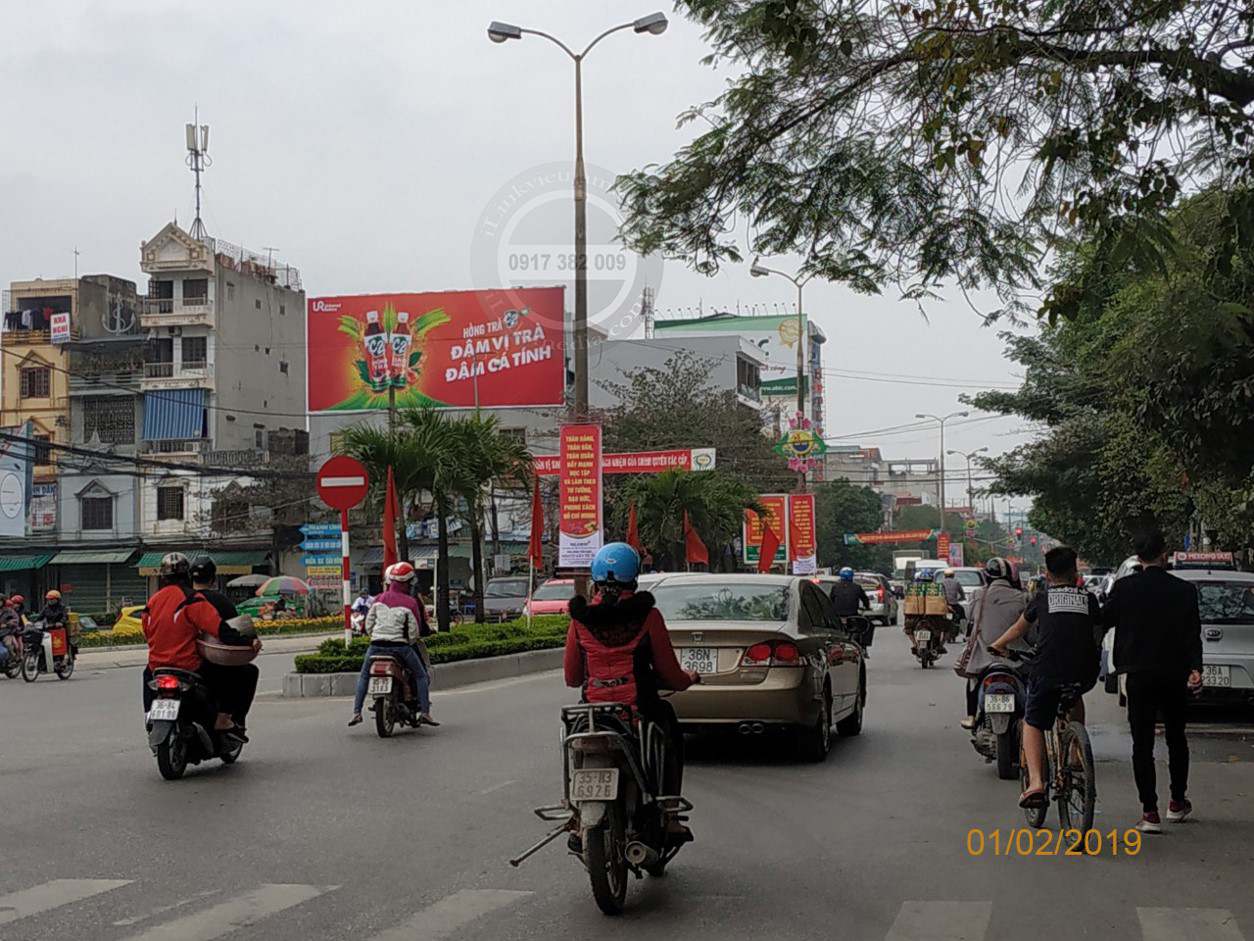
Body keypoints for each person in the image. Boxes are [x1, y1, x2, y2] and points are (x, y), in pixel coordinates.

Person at [565, 542, 699, 849]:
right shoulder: (649, 616)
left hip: (594, 716)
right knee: (669, 728)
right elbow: (669, 675)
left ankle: (576, 819)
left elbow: (573, 678)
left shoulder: (579, 620)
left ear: (596, 579)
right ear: (634, 577)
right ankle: (669, 814)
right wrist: (688, 679)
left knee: (576, 742)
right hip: (639, 714)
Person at [1102, 531, 1203, 833]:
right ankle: (1176, 801)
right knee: (1176, 737)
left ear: (1137, 558)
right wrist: (1195, 668)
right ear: (1164, 555)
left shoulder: (1124, 588)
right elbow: (1191, 634)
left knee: (1142, 744)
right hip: (1174, 673)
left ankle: (1149, 812)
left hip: (1138, 674)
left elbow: (1104, 620)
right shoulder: (1184, 591)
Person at [989, 546, 1101, 811]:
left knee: (1033, 722)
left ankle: (1036, 783)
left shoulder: (1042, 598)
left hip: (1048, 670)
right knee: (1075, 693)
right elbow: (1097, 631)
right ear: (1076, 572)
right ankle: (1075, 753)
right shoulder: (1089, 599)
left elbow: (1019, 628)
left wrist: (999, 644)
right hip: (1084, 672)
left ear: (1047, 574)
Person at [142, 553, 261, 735]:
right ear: (188, 576)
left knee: (146, 675)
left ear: (163, 577)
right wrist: (247, 642)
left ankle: (149, 715)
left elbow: (148, 632)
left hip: (157, 666)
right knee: (235, 674)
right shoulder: (191, 600)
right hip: (189, 666)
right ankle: (222, 719)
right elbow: (219, 629)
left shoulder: (152, 602)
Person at [348, 561, 437, 728]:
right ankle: (425, 712)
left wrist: (372, 636)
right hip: (400, 647)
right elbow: (414, 630)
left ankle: (357, 712)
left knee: (364, 675)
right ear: (409, 582)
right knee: (421, 675)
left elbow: (368, 624)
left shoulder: (378, 599)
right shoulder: (410, 602)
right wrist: (408, 643)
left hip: (375, 646)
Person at [954, 557, 1027, 729]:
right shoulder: (1023, 598)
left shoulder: (977, 595)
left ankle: (971, 715)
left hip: (983, 656)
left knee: (973, 680)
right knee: (1031, 682)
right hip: (1017, 658)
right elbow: (1031, 632)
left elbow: (969, 620)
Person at [189, 556, 261, 730]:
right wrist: (250, 641)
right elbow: (231, 632)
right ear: (213, 579)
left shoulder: (181, 599)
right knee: (247, 672)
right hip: (209, 663)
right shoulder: (218, 601)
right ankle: (227, 717)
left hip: (179, 660)